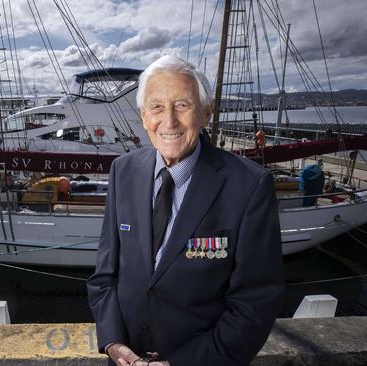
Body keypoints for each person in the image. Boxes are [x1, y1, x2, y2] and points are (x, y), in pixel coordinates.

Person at [87, 55, 284, 366]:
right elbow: (104, 276)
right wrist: (112, 342)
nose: (169, 122)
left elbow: (254, 303)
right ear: (143, 115)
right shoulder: (122, 171)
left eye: (182, 105)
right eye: (156, 107)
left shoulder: (249, 186)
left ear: (206, 112)